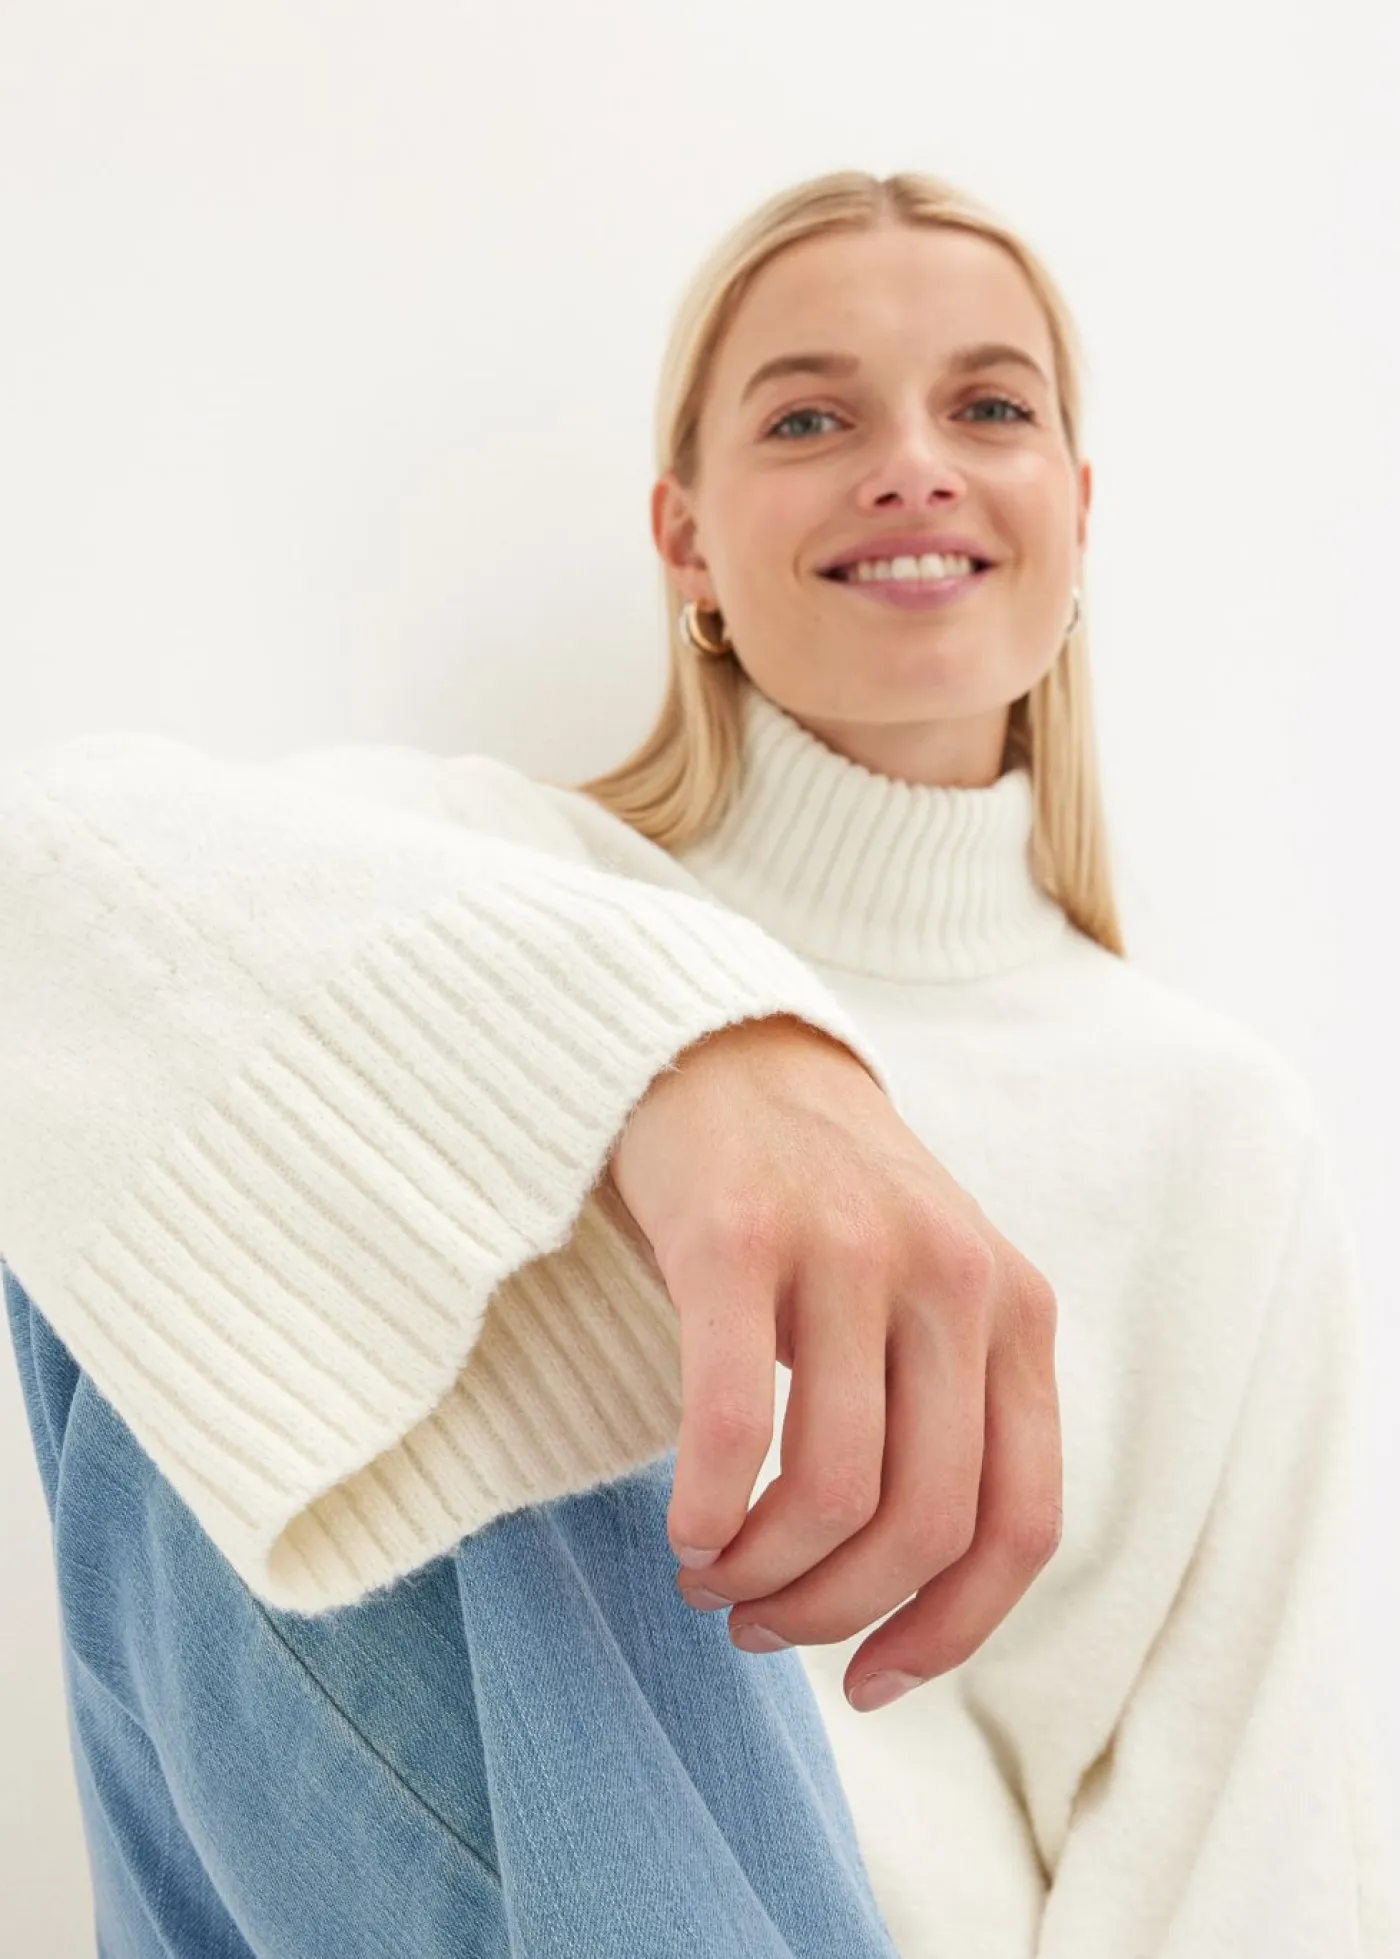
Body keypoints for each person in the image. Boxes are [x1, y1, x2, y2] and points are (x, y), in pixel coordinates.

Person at [2, 166, 1397, 1957]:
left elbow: (1254, 1829)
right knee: (244, 1149)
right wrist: (700, 1053)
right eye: (812, 418)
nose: (913, 464)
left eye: (989, 408)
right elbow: (51, 890)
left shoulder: (1219, 1132)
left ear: (1077, 508)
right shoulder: (482, 873)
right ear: (686, 543)